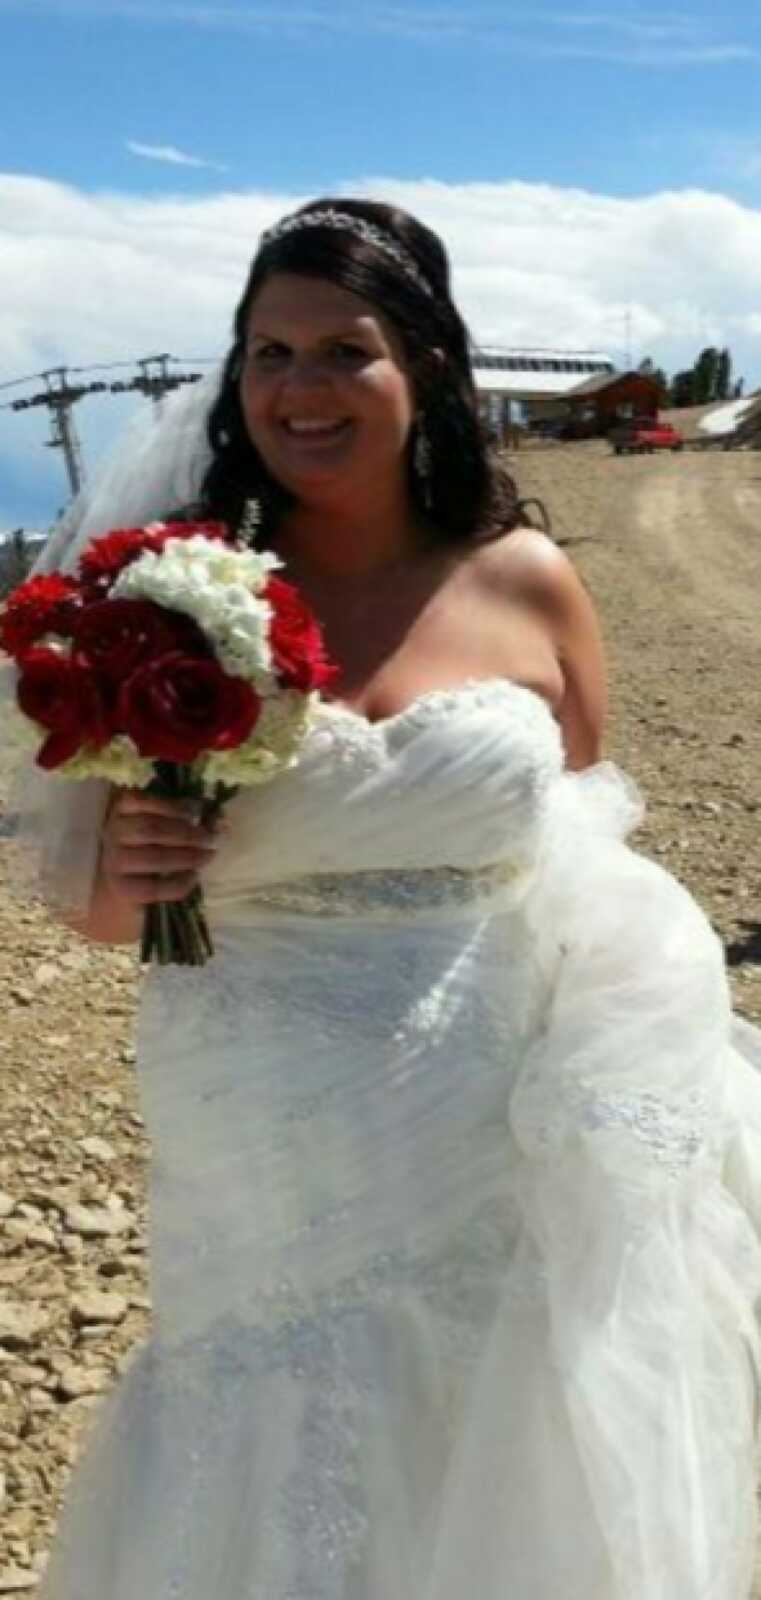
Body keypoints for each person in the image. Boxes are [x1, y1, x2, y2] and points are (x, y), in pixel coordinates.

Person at [11, 199, 761, 1598]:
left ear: (420, 365)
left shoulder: (528, 581)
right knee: (272, 1406)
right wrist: (129, 873)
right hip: (260, 1099)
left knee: (500, 1399)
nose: (298, 388)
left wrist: (626, 1051)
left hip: (488, 1096)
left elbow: (578, 828)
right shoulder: (166, 592)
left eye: (341, 350)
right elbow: (102, 912)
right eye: (266, 351)